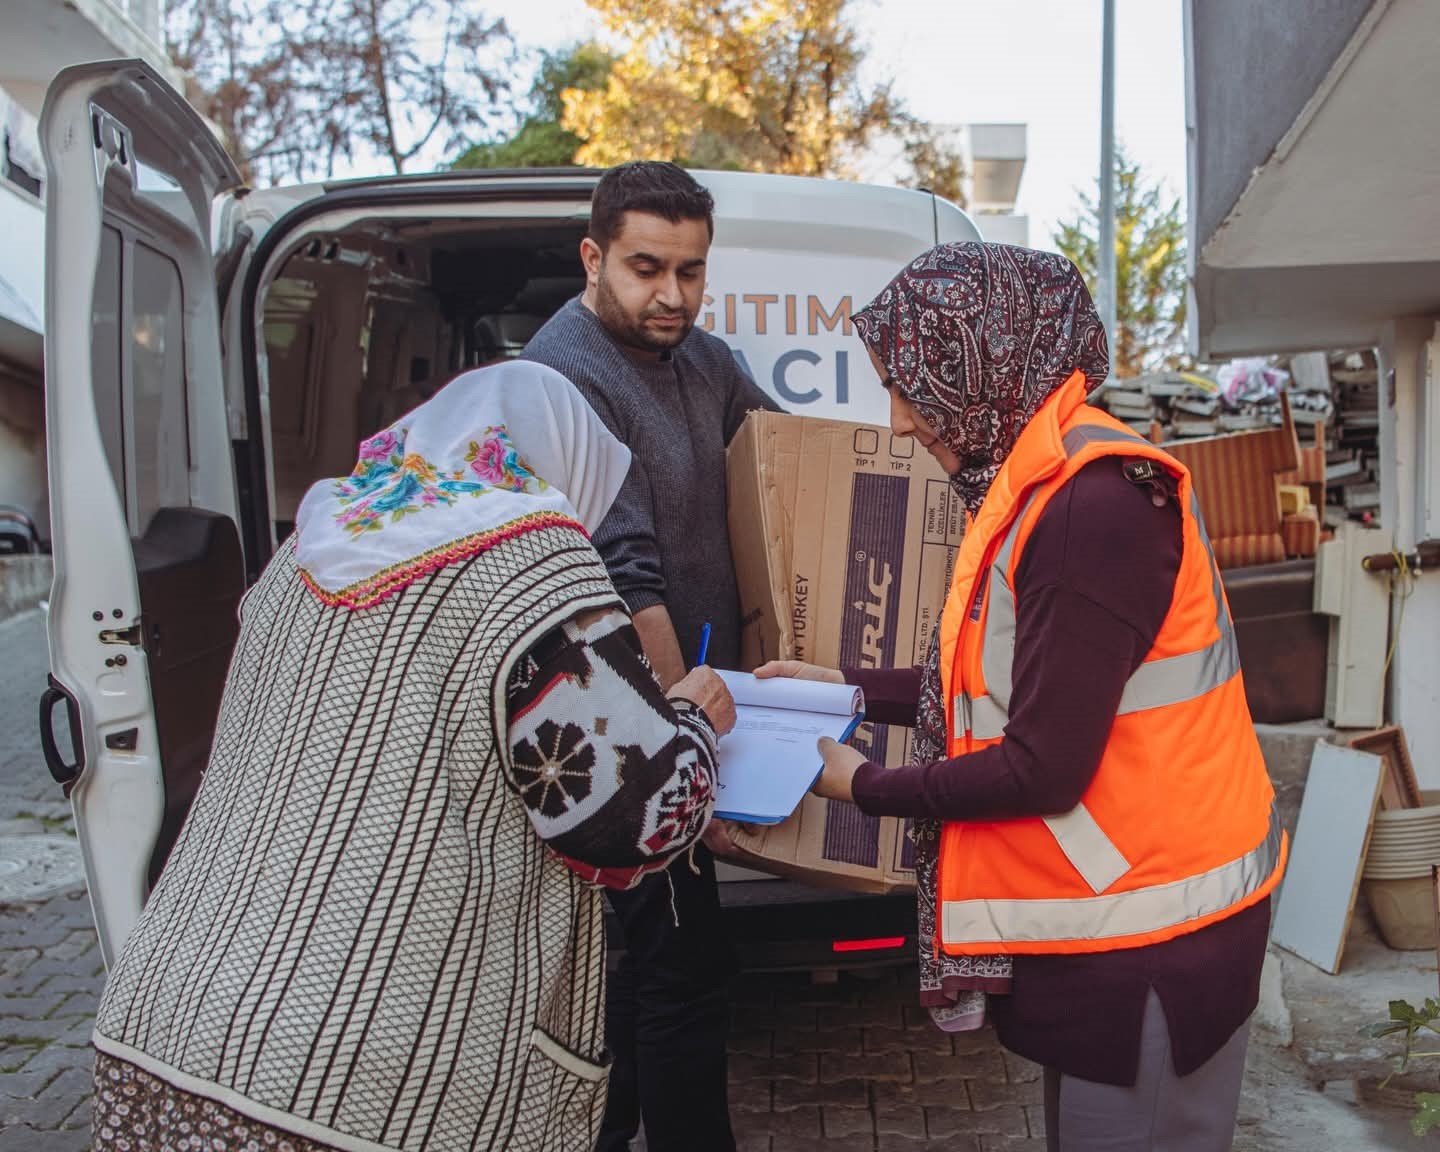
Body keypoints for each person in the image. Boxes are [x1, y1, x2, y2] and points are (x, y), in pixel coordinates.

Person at [88, 361, 737, 1152]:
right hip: (338, 1081)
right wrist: (693, 722)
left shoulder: (315, 546)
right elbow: (633, 818)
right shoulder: (535, 563)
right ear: (564, 461)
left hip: (156, 1027)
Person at [759, 241, 1286, 1152]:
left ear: (983, 362)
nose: (898, 422)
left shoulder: (1090, 511)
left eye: (909, 384)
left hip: (1154, 944)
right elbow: (1001, 689)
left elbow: (1042, 766)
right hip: (1118, 923)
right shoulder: (1043, 486)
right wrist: (845, 688)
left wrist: (860, 786)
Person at [522, 161, 780, 1152]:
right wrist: (686, 752)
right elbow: (627, 581)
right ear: (594, 258)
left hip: (686, 713)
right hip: (625, 735)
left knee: (652, 973)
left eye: (691, 270)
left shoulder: (701, 360)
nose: (671, 294)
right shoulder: (570, 373)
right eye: (646, 268)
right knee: (681, 975)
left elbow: (783, 453)